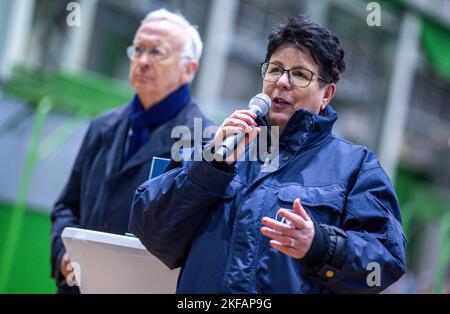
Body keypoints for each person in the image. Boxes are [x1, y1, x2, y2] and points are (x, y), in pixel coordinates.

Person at [129, 15, 406, 293]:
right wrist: (209, 167)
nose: (282, 82)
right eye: (275, 69)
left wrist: (321, 245)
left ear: (326, 95)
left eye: (300, 74)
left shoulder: (355, 167)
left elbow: (385, 263)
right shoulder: (215, 147)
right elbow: (152, 231)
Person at [50, 8, 214, 293]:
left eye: (157, 52)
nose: (143, 61)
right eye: (138, 50)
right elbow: (67, 205)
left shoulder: (205, 141)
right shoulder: (103, 126)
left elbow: (200, 239)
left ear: (189, 69)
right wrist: (65, 257)